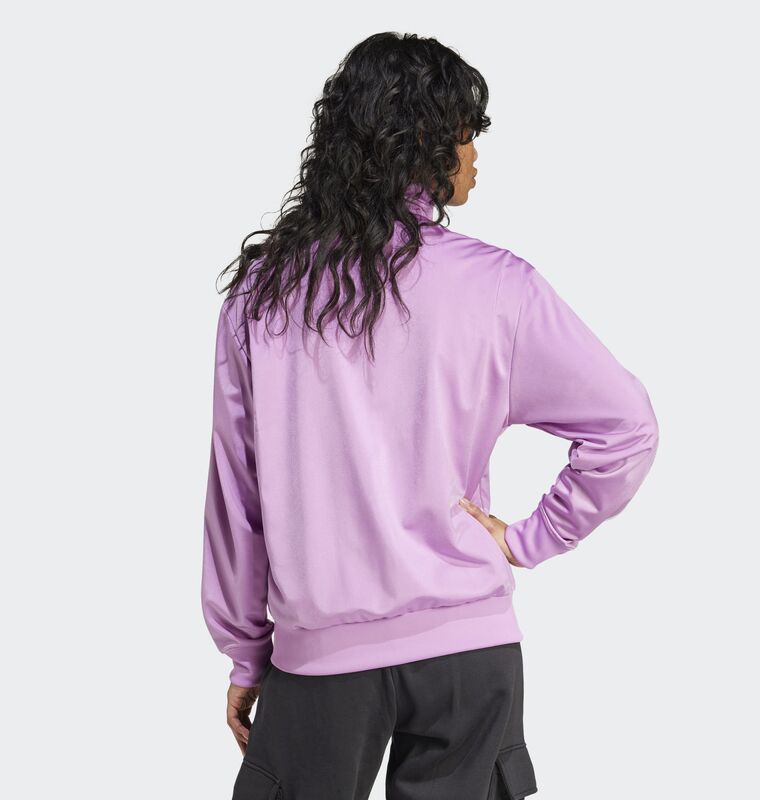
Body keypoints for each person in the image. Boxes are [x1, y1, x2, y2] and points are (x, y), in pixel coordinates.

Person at [201, 31, 659, 800]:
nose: (474, 154)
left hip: (322, 658)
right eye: (464, 133)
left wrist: (248, 651)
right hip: (467, 656)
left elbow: (235, 496)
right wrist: (527, 540)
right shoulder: (500, 289)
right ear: (420, 144)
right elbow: (628, 428)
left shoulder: (264, 295)